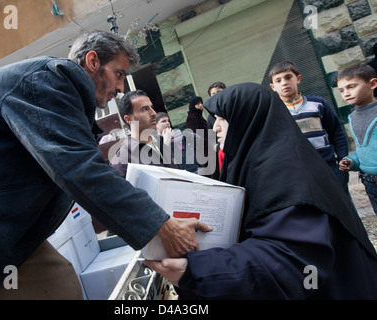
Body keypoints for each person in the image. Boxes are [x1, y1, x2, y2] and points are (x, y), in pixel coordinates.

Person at [0, 30, 211, 300]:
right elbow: (81, 170)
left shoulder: (62, 94)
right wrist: (163, 226)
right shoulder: (49, 80)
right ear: (93, 61)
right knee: (58, 287)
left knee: (57, 282)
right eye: (119, 74)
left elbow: (83, 166)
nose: (121, 88)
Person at [146, 83, 377, 299]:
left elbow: (294, 262)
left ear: (247, 120)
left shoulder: (286, 171)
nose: (215, 127)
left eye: (221, 119)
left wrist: (197, 269)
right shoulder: (253, 160)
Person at [269, 60, 351, 196]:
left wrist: (342, 158)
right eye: (278, 80)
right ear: (272, 86)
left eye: (288, 77)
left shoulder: (318, 103)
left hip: (328, 166)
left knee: (344, 206)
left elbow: (336, 132)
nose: (284, 83)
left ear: (298, 78)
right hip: (300, 172)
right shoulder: (273, 112)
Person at [110, 91, 182, 178]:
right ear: (129, 119)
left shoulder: (163, 142)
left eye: (152, 107)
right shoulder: (121, 161)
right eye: (144, 109)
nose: (154, 113)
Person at [337, 64, 377, 215]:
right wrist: (352, 161)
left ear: (372, 84)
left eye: (351, 87)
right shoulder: (352, 117)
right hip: (370, 183)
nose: (346, 93)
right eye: (341, 90)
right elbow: (364, 149)